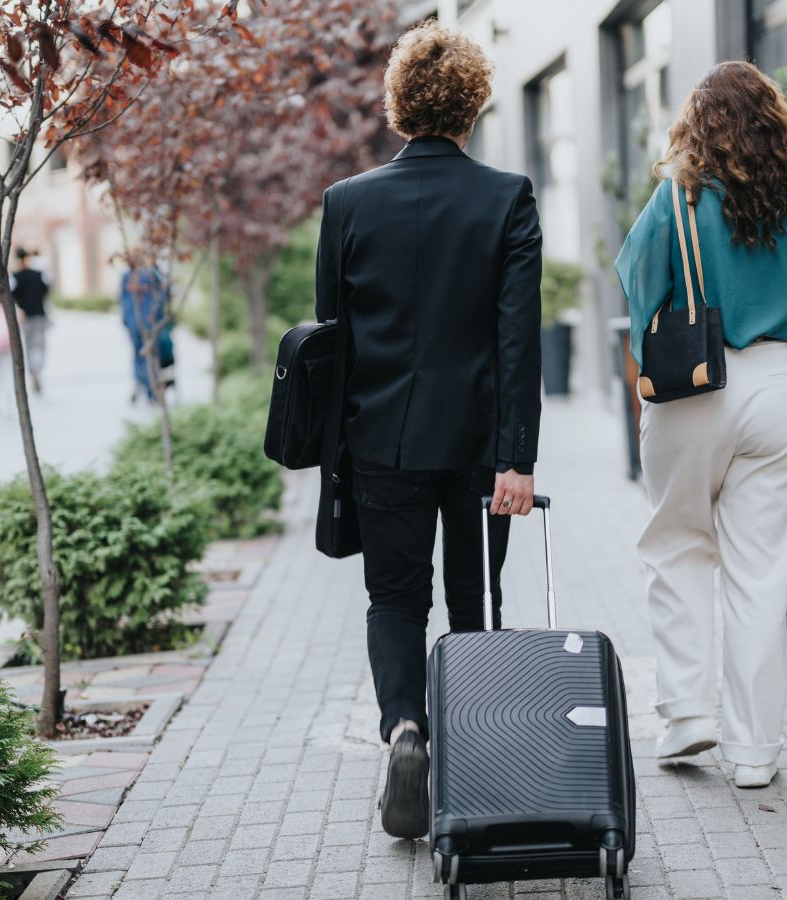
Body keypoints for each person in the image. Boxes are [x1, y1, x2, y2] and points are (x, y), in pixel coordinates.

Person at [615, 61, 787, 789]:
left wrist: (648, 359)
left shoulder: (679, 197)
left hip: (695, 381)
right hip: (781, 385)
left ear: (696, 126)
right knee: (762, 577)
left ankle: (688, 714)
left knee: (677, 548)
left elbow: (638, 282)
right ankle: (755, 754)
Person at [316, 22, 541, 840]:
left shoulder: (347, 204)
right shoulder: (506, 197)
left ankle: (405, 731)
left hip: (382, 442)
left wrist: (337, 456)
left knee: (394, 599)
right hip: (482, 450)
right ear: (475, 103)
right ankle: (473, 761)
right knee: (474, 601)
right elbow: (519, 338)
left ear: (398, 104)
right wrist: (517, 457)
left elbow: (331, 341)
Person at [119, 265, 169, 404]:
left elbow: (121, 299)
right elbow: (165, 296)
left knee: (138, 354)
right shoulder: (155, 274)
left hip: (133, 321)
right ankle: (149, 388)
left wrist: (125, 320)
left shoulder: (127, 274)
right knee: (151, 355)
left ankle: (140, 382)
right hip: (151, 322)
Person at [10, 249, 51, 393]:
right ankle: (37, 370)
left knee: (28, 347)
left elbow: (11, 296)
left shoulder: (15, 277)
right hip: (39, 315)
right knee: (40, 346)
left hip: (25, 317)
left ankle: (33, 373)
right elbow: (47, 291)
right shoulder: (39, 274)